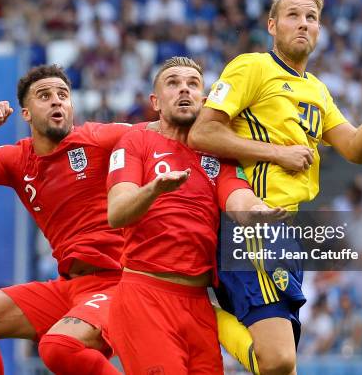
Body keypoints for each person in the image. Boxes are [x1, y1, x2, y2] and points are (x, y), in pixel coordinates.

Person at [188, 0, 362, 375]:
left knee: (280, 366)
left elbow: (355, 149)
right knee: (280, 361)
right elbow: (202, 134)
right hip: (252, 221)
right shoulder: (252, 66)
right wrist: (278, 152)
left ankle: (195, 308)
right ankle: (192, 309)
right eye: (292, 15)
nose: (303, 23)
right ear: (272, 25)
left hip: (286, 229)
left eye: (311, 18)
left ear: (320, 30)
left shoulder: (317, 90)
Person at [0, 64, 148, 375]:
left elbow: (161, 135)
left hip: (118, 283)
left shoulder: (99, 138)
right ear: (26, 114)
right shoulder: (16, 159)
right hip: (70, 287)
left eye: (63, 95)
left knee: (59, 347)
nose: (57, 101)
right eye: (44, 96)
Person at [106, 56, 286, 374]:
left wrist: (256, 211)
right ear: (155, 101)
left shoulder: (217, 153)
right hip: (146, 296)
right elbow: (117, 213)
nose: (184, 90)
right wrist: (154, 190)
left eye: (192, 84)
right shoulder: (136, 141)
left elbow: (236, 196)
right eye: (173, 83)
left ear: (204, 100)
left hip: (199, 303)